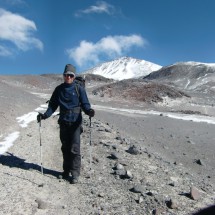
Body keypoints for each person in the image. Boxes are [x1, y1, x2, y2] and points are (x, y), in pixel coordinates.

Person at [37, 64, 95, 184]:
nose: (68, 77)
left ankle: (75, 174)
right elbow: (52, 106)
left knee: (74, 149)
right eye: (66, 75)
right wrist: (44, 116)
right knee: (65, 148)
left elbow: (85, 104)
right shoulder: (59, 90)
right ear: (63, 76)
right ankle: (66, 171)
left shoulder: (79, 89)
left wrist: (89, 111)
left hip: (75, 123)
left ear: (73, 77)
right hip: (63, 122)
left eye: (70, 75)